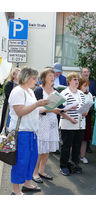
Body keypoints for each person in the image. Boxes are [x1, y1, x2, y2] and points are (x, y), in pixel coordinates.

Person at [8, 67, 49, 195]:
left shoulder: (30, 92)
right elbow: (20, 112)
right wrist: (37, 104)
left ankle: (27, 184)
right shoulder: (17, 91)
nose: (36, 81)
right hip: (21, 132)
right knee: (20, 160)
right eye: (34, 78)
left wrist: (48, 107)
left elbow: (34, 110)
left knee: (31, 159)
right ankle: (15, 190)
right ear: (26, 78)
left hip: (31, 131)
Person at [32, 68, 68, 183]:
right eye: (50, 76)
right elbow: (35, 109)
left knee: (46, 150)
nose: (52, 77)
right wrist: (52, 110)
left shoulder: (56, 90)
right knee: (39, 149)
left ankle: (42, 171)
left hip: (52, 122)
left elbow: (61, 106)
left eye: (53, 75)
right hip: (41, 122)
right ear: (44, 78)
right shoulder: (38, 90)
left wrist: (66, 107)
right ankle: (35, 173)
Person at [59, 72, 87, 176]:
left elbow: (84, 107)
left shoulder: (81, 93)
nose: (77, 82)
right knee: (66, 146)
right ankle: (64, 166)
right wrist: (70, 118)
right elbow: (61, 110)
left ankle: (75, 164)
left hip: (80, 124)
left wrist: (85, 112)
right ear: (69, 81)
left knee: (77, 146)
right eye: (74, 79)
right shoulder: (64, 93)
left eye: (77, 80)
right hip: (68, 124)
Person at [80, 67, 96, 154]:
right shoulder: (79, 82)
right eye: (84, 72)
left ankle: (87, 146)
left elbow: (94, 93)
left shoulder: (93, 82)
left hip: (89, 109)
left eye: (87, 72)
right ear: (81, 73)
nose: (86, 73)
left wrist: (93, 98)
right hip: (79, 112)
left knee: (87, 129)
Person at [78, 78, 94, 164]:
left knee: (84, 138)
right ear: (80, 86)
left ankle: (82, 156)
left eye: (87, 85)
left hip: (86, 117)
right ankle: (73, 156)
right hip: (76, 117)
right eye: (85, 86)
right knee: (75, 138)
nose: (86, 87)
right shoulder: (76, 93)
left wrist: (87, 109)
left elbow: (91, 105)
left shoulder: (89, 94)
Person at [0, 68, 21, 133]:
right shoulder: (9, 83)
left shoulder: (21, 85)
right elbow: (8, 95)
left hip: (18, 106)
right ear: (14, 75)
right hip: (9, 106)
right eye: (18, 74)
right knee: (7, 121)